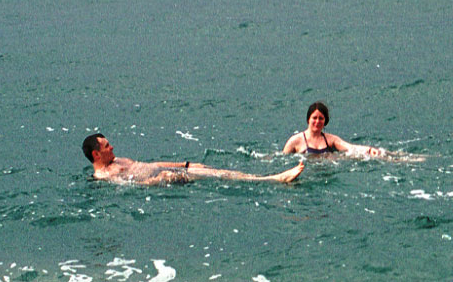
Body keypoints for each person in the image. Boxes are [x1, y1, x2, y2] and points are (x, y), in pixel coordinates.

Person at [82, 133, 304, 185]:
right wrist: (160, 181)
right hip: (166, 182)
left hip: (171, 174)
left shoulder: (119, 160)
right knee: (219, 177)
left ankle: (270, 178)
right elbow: (133, 186)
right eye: (106, 146)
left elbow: (154, 164)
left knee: (218, 173)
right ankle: (273, 179)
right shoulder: (104, 175)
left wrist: (186, 164)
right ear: (96, 154)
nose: (112, 147)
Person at [282, 102, 386, 157]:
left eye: (321, 118)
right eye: (314, 118)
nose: (317, 121)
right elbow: (282, 159)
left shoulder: (331, 140)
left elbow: (350, 148)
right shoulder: (295, 141)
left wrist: (369, 150)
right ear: (308, 119)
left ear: (325, 121)